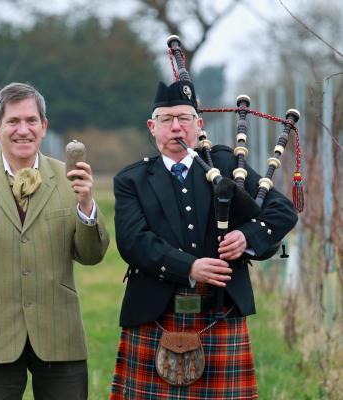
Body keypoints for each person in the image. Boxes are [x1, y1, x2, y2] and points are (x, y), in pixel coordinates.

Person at [109, 74, 298, 398]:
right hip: (155, 313)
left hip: (220, 312)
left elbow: (282, 211)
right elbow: (133, 241)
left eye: (183, 118)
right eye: (166, 120)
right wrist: (189, 268)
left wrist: (246, 237)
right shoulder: (133, 179)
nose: (176, 127)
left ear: (198, 124)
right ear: (152, 127)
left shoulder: (225, 164)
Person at [0, 82, 109, 400]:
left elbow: (92, 255)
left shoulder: (70, 179)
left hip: (59, 331)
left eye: (31, 121)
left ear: (44, 127)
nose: (23, 130)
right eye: (13, 121)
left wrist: (86, 207)